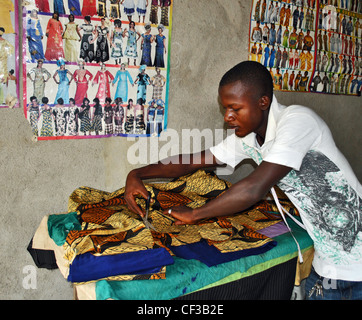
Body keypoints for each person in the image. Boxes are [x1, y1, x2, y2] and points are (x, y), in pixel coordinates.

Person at [124, 61, 362, 300]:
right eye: (225, 108)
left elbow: (254, 189)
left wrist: (196, 214)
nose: (228, 117)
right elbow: (193, 161)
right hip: (329, 263)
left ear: (263, 102)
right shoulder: (249, 138)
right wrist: (138, 174)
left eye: (235, 108)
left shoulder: (298, 121)